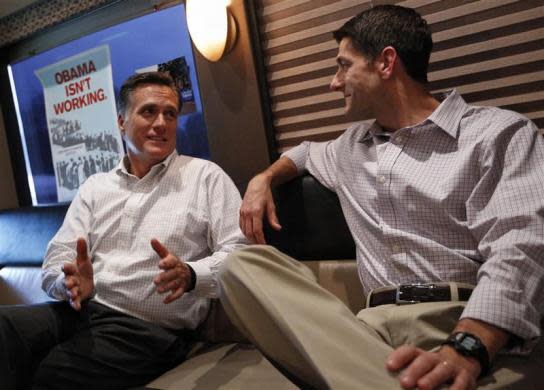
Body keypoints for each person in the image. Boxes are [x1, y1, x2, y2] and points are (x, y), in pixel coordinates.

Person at [219, 5, 544, 389]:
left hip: (460, 320)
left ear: (386, 62)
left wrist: (468, 345)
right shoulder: (349, 147)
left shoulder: (500, 134)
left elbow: (520, 247)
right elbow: (304, 152)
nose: (333, 82)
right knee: (239, 266)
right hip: (366, 333)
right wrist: (262, 179)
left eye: (343, 65)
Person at [0, 71, 247, 389]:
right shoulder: (95, 187)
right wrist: (70, 283)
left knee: (53, 373)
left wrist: (191, 275)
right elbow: (58, 256)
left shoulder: (205, 177)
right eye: (148, 111)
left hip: (149, 331)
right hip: (82, 311)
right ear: (121, 121)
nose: (161, 123)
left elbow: (239, 253)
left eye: (170, 114)